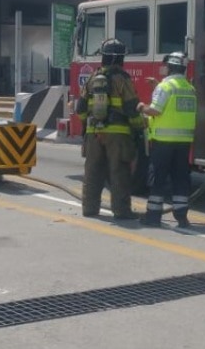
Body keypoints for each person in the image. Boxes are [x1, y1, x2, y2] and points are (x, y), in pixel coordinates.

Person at [75, 38, 140, 220]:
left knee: (93, 172)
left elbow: (80, 110)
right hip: (118, 136)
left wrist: (86, 128)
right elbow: (131, 108)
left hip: (93, 133)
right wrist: (140, 127)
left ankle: (89, 209)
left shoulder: (92, 79)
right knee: (119, 172)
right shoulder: (123, 79)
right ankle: (121, 211)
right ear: (119, 58)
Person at [136, 52, 196, 228]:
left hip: (163, 142)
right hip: (183, 143)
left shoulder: (165, 86)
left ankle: (153, 217)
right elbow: (174, 109)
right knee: (180, 179)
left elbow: (155, 110)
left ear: (170, 67)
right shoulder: (189, 88)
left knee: (158, 179)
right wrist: (157, 86)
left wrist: (141, 107)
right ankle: (182, 217)